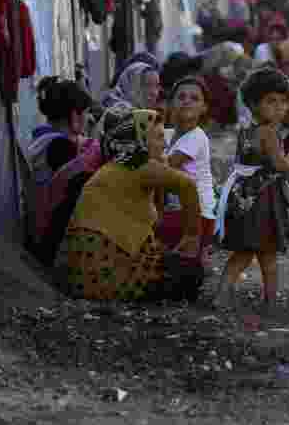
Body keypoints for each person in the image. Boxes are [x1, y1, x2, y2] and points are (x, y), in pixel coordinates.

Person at [56, 107, 201, 301]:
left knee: (177, 264)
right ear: (140, 139)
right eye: (158, 137)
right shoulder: (139, 165)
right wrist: (192, 235)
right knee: (192, 272)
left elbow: (153, 217)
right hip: (106, 274)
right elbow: (188, 186)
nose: (165, 143)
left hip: (87, 272)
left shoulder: (122, 163)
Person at [215, 68, 289, 312]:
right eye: (270, 101)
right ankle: (270, 301)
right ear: (253, 104)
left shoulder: (245, 130)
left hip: (244, 196)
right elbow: (279, 164)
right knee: (267, 255)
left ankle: (223, 295)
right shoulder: (269, 133)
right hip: (263, 201)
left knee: (244, 253)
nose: (279, 107)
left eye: (283, 101)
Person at [156, 77, 216, 301]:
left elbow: (163, 167)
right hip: (179, 209)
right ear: (170, 104)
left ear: (204, 108)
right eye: (181, 97)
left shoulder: (197, 137)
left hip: (197, 214)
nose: (187, 102)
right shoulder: (169, 135)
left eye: (194, 98)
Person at [25, 76, 96, 259]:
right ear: (74, 116)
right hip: (49, 239)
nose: (89, 119)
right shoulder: (60, 148)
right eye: (86, 113)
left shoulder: (42, 140)